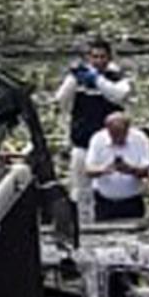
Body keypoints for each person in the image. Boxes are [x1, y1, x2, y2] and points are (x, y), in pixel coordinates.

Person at [55, 38, 133, 224]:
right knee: (81, 189)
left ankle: (107, 222)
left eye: (102, 57)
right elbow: (60, 100)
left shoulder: (117, 77)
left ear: (109, 58)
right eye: (94, 57)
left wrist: (97, 80)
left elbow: (119, 95)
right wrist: (73, 79)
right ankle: (84, 225)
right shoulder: (80, 77)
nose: (98, 61)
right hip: (82, 142)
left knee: (107, 186)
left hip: (108, 145)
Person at [85, 111, 149, 222]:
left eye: (120, 134)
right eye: (113, 134)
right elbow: (88, 170)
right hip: (104, 202)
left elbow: (148, 170)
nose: (117, 139)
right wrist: (104, 169)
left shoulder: (140, 139)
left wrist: (130, 170)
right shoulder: (97, 139)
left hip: (132, 202)